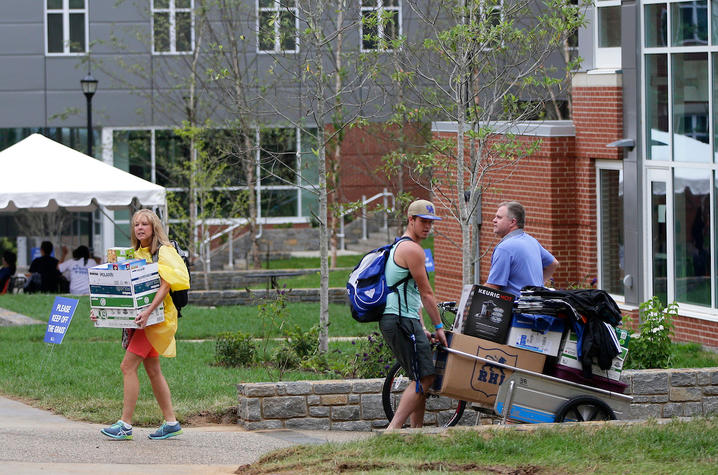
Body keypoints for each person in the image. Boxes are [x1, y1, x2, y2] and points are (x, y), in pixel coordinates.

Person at [93, 209, 190, 441]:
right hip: (143, 320)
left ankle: (125, 425)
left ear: (153, 227)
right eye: (136, 224)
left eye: (144, 224)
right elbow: (125, 289)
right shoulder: (135, 253)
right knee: (153, 370)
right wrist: (103, 312)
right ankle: (171, 422)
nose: (139, 228)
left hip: (156, 320)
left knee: (127, 367)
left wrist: (147, 313)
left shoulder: (164, 251)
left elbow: (166, 285)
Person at [380, 199, 447, 430]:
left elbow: (412, 295)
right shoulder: (412, 249)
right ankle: (393, 431)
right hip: (399, 319)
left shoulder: (401, 246)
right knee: (426, 378)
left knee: (420, 376)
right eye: (423, 222)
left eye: (431, 222)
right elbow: (427, 294)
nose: (428, 226)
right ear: (411, 220)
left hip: (402, 318)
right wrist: (439, 327)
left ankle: (416, 433)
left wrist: (423, 327)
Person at [485, 201, 559, 297]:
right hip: (536, 307)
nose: (494, 220)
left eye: (499, 217)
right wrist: (536, 288)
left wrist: (470, 297)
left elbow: (493, 287)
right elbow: (553, 264)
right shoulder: (531, 241)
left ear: (513, 222)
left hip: (516, 309)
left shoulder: (504, 248)